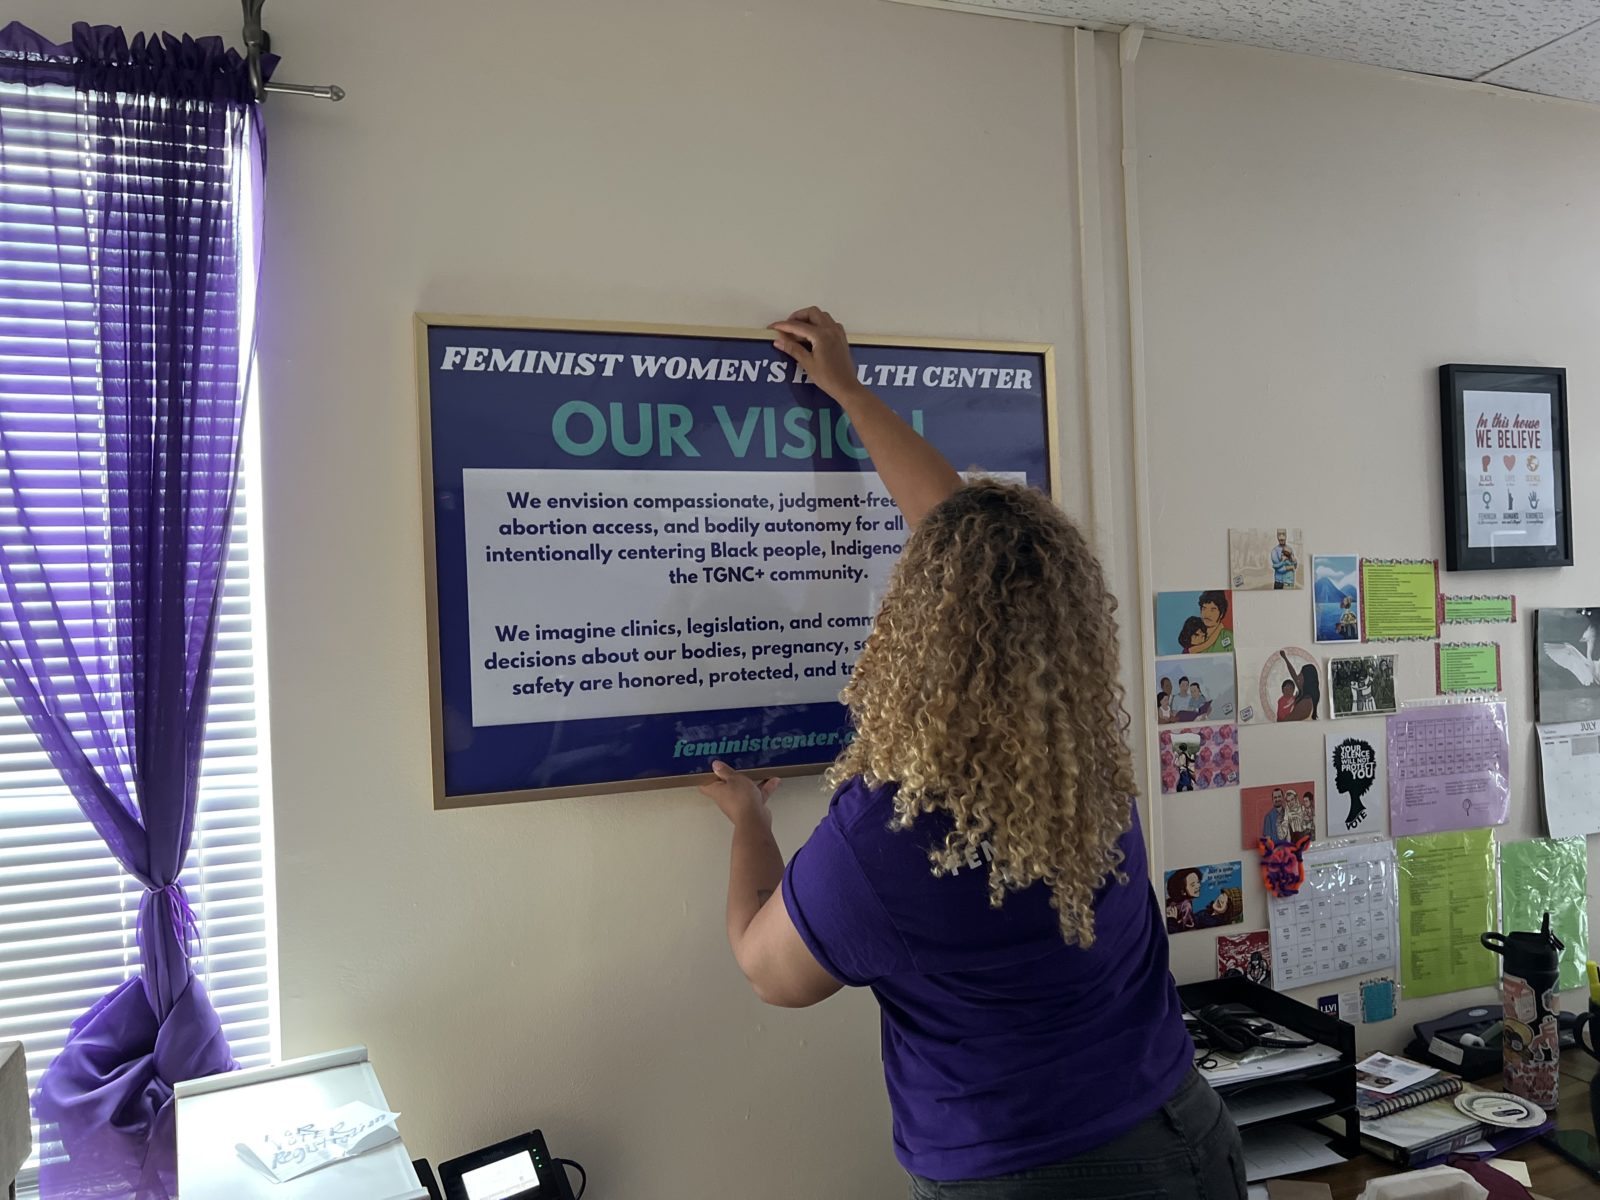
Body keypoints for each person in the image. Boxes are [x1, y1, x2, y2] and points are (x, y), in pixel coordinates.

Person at [700, 308, 1243, 1200]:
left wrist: (751, 826)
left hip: (1036, 1183)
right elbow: (974, 548)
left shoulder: (889, 835)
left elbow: (768, 971)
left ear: (918, 628)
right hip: (1189, 1136)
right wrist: (848, 390)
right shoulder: (1080, 763)